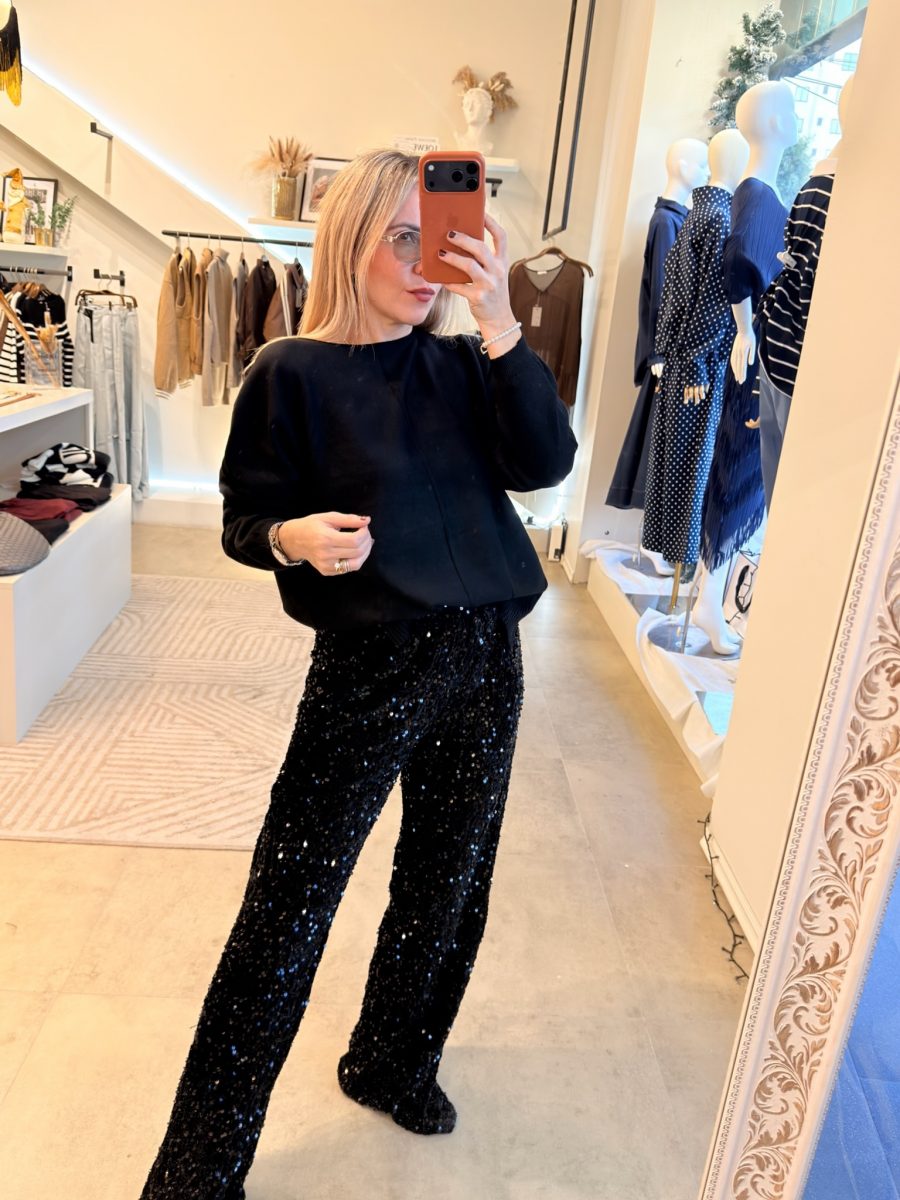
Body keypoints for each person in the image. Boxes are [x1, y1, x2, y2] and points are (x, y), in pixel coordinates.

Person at [140, 148, 577, 1200]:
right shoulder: (289, 371)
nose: (427, 264)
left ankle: (391, 1060)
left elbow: (546, 463)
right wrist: (289, 538)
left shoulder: (468, 363)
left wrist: (500, 319)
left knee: (447, 881)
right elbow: (245, 517)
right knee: (290, 904)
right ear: (349, 241)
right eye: (402, 239)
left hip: (487, 657)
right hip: (370, 663)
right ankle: (199, 1169)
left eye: (440, 239)